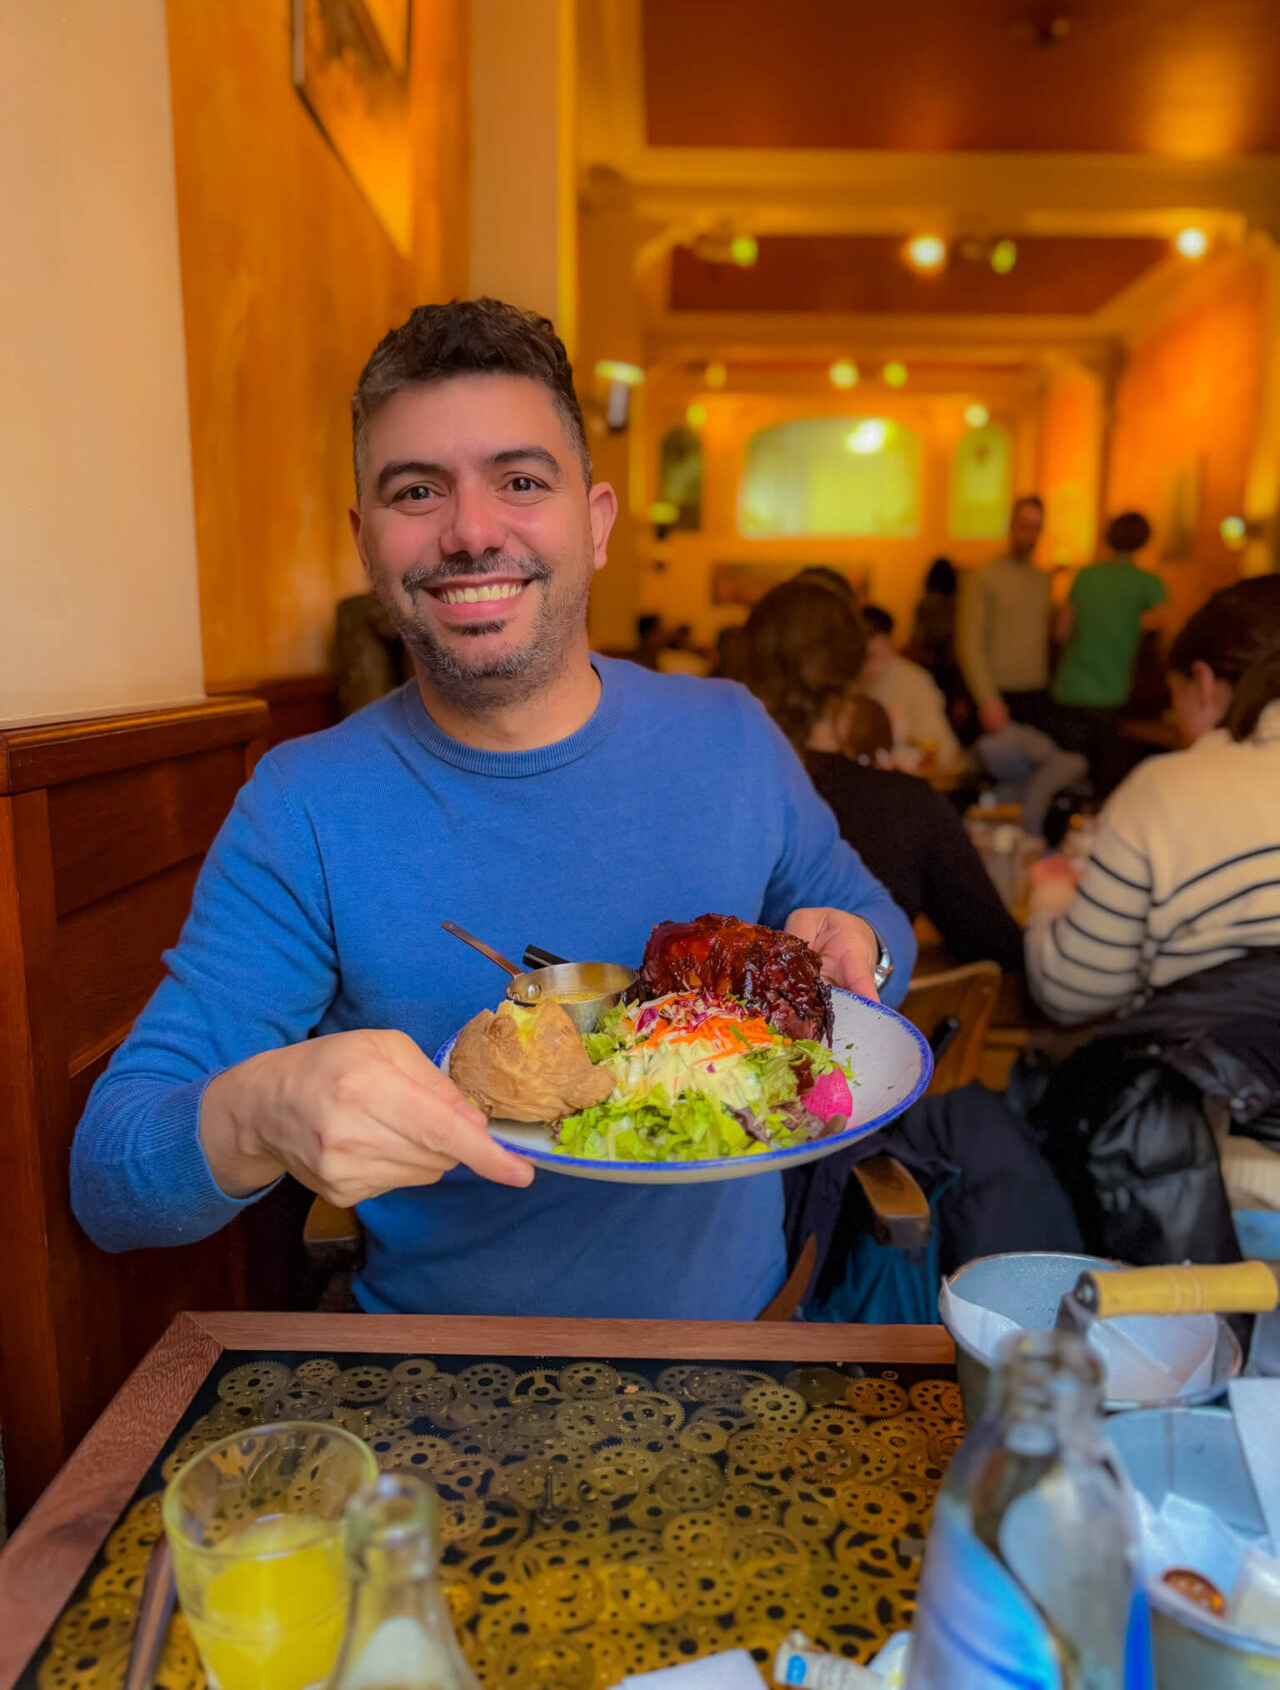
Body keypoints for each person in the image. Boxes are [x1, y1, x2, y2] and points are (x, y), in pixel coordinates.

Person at [69, 298, 914, 1323]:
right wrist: (260, 1114)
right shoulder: (303, 805)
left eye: (519, 481)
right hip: (441, 1381)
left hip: (736, 1342)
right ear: (366, 544)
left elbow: (865, 922)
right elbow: (110, 1179)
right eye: (417, 491)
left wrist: (857, 945)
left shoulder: (728, 733)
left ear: (594, 525)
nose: (470, 531)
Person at [1026, 575, 1280, 1025]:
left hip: (1207, 1083)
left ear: (1202, 682)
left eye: (1176, 697)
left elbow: (1070, 992)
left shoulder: (1168, 788)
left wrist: (1048, 891)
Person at [738, 581, 1024, 973]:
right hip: (881, 1019)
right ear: (857, 667)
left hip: (720, 1027)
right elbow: (996, 946)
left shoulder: (725, 794)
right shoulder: (906, 804)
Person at [1050, 511, 1166, 792]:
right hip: (1112, 692)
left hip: (1070, 688)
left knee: (1065, 775)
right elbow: (1164, 630)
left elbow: (1062, 631)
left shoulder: (1086, 576)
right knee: (1102, 780)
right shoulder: (1147, 582)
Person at [956, 495, 1053, 735]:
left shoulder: (1042, 579)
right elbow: (969, 643)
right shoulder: (983, 576)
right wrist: (986, 697)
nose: (1030, 534)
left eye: (1036, 527)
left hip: (1034, 692)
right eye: (1024, 525)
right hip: (997, 692)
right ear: (1011, 525)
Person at [859, 604, 963, 769]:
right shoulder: (846, 682)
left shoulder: (915, 681)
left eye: (874, 656)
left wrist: (902, 733)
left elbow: (939, 744)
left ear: (889, 642)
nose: (867, 667)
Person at [908, 556, 977, 745]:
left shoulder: (925, 604)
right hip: (953, 670)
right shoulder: (960, 605)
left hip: (930, 667)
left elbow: (917, 640)